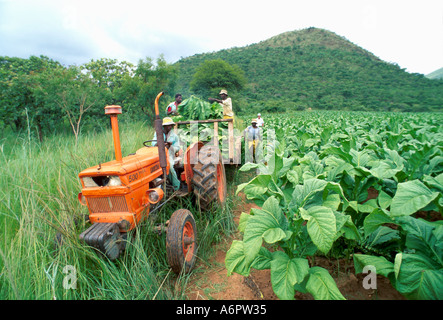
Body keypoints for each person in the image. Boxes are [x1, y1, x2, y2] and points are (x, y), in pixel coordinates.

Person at [152, 117, 181, 191]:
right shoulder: (158, 134)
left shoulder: (174, 136)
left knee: (170, 166)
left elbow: (177, 147)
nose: (170, 127)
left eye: (171, 125)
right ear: (164, 126)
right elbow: (153, 143)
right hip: (158, 154)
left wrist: (170, 146)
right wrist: (159, 144)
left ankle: (176, 186)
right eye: (168, 125)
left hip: (169, 154)